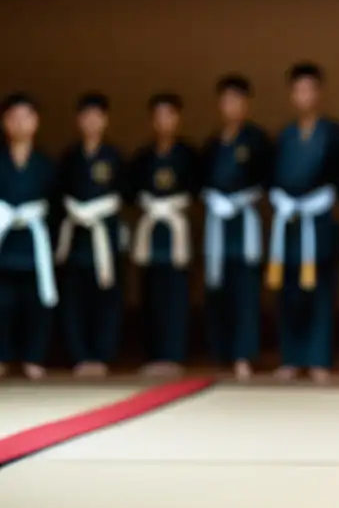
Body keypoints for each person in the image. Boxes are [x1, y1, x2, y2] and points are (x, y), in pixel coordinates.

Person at [266, 62, 339, 383]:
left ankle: (319, 358)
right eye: (299, 90)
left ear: (319, 92)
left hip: (320, 221)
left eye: (310, 89)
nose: (304, 95)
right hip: (289, 222)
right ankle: (291, 357)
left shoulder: (336, 134)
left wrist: (336, 209)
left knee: (322, 288)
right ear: (291, 95)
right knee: (289, 290)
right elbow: (271, 179)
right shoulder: (283, 137)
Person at [200, 74, 273, 381]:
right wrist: (214, 198)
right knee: (218, 291)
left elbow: (266, 181)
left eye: (237, 100)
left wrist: (242, 199)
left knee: (245, 292)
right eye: (226, 100)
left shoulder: (257, 140)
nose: (231, 106)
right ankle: (222, 352)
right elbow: (201, 181)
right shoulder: (213, 143)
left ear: (247, 104)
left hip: (244, 225)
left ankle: (244, 354)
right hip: (218, 225)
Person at [127, 93, 200, 377]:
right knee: (151, 293)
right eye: (159, 115)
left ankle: (175, 353)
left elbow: (195, 191)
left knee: (177, 295)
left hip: (177, 232)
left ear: (178, 119)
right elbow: (132, 193)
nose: (164, 121)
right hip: (150, 232)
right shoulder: (143, 157)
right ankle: (153, 353)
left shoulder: (188, 155)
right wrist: (152, 206)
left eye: (170, 115)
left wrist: (171, 206)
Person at [54, 92, 126, 379]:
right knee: (74, 300)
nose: (91, 122)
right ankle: (80, 355)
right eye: (86, 116)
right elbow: (58, 197)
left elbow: (125, 196)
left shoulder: (114, 156)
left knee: (107, 299)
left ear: (105, 121)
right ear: (78, 120)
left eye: (97, 116)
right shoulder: (69, 157)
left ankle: (102, 355)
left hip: (104, 237)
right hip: (76, 238)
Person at [0, 93, 58, 380]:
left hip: (35, 244)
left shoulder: (46, 164)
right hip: (3, 242)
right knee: (3, 304)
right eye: (13, 117)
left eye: (26, 116)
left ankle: (34, 358)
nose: (20, 123)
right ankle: (2, 356)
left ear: (36, 122)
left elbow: (56, 206)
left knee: (36, 305)